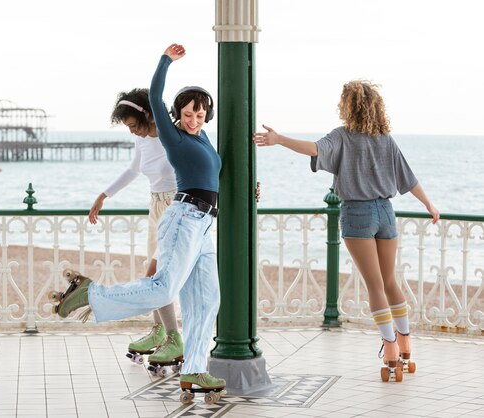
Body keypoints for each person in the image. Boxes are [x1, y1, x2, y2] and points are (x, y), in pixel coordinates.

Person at [56, 44, 226, 394]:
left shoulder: (204, 137)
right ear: (175, 114)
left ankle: (194, 370)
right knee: (164, 286)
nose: (194, 120)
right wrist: (166, 60)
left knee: (207, 301)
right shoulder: (173, 137)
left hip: (206, 222)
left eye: (200, 114)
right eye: (188, 114)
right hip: (183, 217)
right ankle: (91, 293)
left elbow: (216, 175)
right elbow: (154, 93)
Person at [253, 80, 440, 381]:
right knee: (390, 281)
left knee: (375, 285)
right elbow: (408, 178)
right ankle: (406, 344)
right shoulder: (385, 139)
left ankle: (390, 348)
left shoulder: (341, 137)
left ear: (347, 106)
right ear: (375, 107)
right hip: (386, 213)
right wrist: (429, 204)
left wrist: (279, 139)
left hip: (357, 214)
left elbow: (313, 149)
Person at [87, 87, 183, 367]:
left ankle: (173, 338)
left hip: (176, 206)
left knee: (156, 274)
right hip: (155, 206)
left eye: (132, 125)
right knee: (153, 273)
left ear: (148, 115)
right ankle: (160, 331)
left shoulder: (174, 135)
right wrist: (103, 196)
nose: (131, 132)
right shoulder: (143, 141)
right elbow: (133, 170)